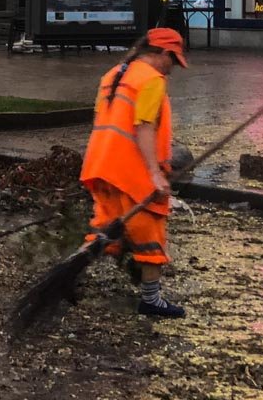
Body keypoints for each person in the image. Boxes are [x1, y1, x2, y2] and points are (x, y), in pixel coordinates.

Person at [79, 27, 189, 318]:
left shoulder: (113, 74)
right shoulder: (152, 80)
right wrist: (155, 173)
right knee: (150, 234)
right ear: (163, 54)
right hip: (131, 173)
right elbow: (144, 127)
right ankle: (151, 301)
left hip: (101, 167)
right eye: (174, 60)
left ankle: (72, 276)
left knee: (106, 231)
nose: (174, 68)